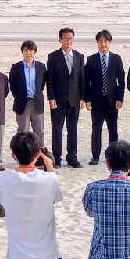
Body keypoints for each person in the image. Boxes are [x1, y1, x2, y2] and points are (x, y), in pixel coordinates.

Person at [0, 132, 64, 259]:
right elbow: (56, 198)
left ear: (13, 154)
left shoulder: (5, 179)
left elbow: (2, 200)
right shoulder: (49, 179)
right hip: (48, 256)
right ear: (38, 154)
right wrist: (49, 166)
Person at [84, 30, 126, 165]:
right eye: (100, 41)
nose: (103, 44)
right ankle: (95, 156)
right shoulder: (91, 59)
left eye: (106, 41)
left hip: (112, 100)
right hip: (97, 101)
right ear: (97, 43)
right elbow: (86, 81)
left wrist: (120, 98)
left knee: (113, 129)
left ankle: (113, 157)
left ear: (110, 43)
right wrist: (88, 99)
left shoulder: (116, 58)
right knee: (96, 129)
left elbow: (121, 80)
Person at [47, 27, 85, 168]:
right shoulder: (53, 56)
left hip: (74, 100)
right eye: (66, 38)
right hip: (58, 100)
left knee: (73, 129)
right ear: (60, 40)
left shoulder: (79, 56)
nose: (69, 41)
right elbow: (49, 80)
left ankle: (72, 158)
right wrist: (51, 98)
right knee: (57, 130)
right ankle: (57, 159)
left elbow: (82, 79)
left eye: (71, 38)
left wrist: (82, 98)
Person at [9, 40, 47, 145]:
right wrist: (20, 96)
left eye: (31, 50)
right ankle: (22, 157)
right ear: (22, 52)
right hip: (23, 103)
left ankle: (39, 156)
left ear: (34, 52)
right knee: (22, 132)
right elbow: (12, 85)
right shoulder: (16, 67)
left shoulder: (41, 67)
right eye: (26, 50)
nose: (28, 53)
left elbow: (42, 84)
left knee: (39, 132)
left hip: (37, 103)